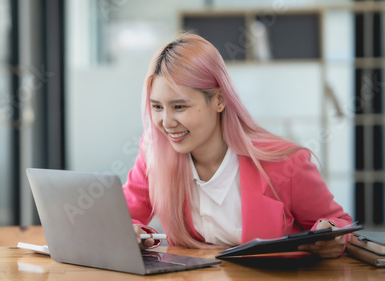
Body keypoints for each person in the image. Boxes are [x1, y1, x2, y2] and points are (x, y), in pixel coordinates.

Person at [122, 33, 353, 259]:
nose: (167, 122)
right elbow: (121, 218)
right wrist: (134, 233)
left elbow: (340, 224)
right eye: (157, 107)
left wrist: (331, 235)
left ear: (219, 101)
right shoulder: (154, 152)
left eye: (179, 107)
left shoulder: (285, 164)